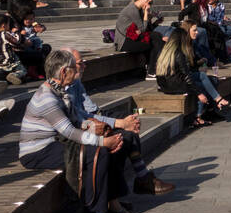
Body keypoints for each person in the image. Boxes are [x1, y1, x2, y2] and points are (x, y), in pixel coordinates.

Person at [19, 51, 138, 213]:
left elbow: (77, 121)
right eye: (74, 69)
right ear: (64, 71)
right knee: (95, 153)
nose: (77, 72)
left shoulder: (60, 91)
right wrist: (102, 142)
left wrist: (101, 132)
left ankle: (110, 202)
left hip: (57, 142)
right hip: (37, 151)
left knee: (110, 147)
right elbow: (69, 131)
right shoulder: (47, 98)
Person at [60, 48, 173, 195]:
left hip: (92, 117)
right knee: (124, 135)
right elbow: (82, 116)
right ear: (67, 67)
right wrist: (119, 123)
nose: (84, 66)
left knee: (128, 122)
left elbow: (91, 109)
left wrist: (121, 120)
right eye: (81, 63)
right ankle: (136, 181)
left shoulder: (76, 83)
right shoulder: (61, 91)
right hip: (81, 126)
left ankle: (140, 178)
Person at [156, 25, 230, 126]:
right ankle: (198, 117)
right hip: (175, 84)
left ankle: (215, 103)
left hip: (165, 84)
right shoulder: (179, 53)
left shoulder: (164, 50)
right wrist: (199, 93)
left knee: (204, 77)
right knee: (200, 86)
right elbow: (187, 76)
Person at [116, 0, 164, 79]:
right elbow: (143, 29)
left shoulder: (138, 8)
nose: (150, 0)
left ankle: (150, 69)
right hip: (124, 42)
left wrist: (155, 22)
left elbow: (145, 30)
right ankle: (150, 71)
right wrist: (146, 13)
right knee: (155, 41)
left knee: (156, 37)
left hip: (133, 38)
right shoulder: (132, 10)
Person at [0, 13, 30, 86]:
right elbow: (17, 41)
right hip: (9, 63)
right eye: (8, 24)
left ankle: (12, 76)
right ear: (3, 26)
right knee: (23, 70)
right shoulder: (5, 34)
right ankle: (15, 75)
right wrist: (16, 31)